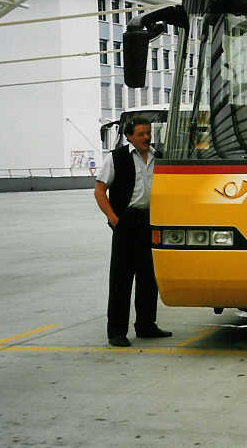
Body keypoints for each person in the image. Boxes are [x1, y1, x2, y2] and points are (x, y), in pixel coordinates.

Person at [94, 116, 172, 347]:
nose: (147, 137)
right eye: (141, 134)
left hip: (151, 220)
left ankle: (146, 325)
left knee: (149, 277)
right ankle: (116, 332)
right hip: (126, 222)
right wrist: (114, 219)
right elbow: (100, 191)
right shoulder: (116, 158)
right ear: (129, 136)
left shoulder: (159, 157)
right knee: (121, 279)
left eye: (148, 133)